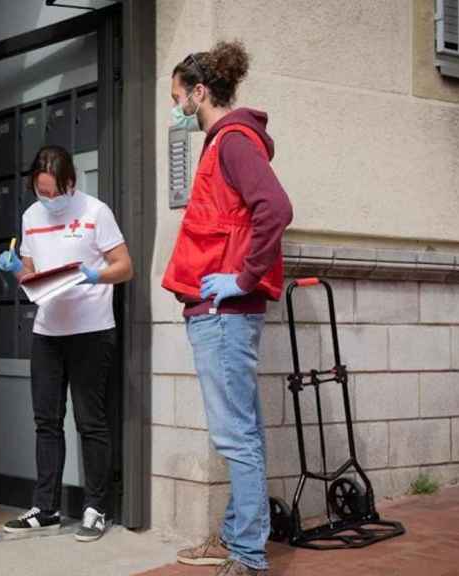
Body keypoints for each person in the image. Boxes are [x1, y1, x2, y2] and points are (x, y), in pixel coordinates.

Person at [162, 40, 293, 576]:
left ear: (199, 92)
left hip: (223, 315)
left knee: (235, 436)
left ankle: (246, 555)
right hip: (218, 312)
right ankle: (240, 536)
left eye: (178, 98)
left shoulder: (234, 142)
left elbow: (276, 209)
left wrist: (240, 278)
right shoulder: (226, 143)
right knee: (243, 432)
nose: (177, 110)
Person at [0, 145, 132, 543]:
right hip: (48, 332)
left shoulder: (95, 211)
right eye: (41, 191)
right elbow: (30, 274)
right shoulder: (30, 216)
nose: (49, 199)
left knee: (91, 422)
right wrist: (14, 271)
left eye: (55, 191)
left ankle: (95, 508)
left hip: (91, 331)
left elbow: (125, 266)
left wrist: (95, 275)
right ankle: (46, 508)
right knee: (46, 421)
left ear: (71, 182)